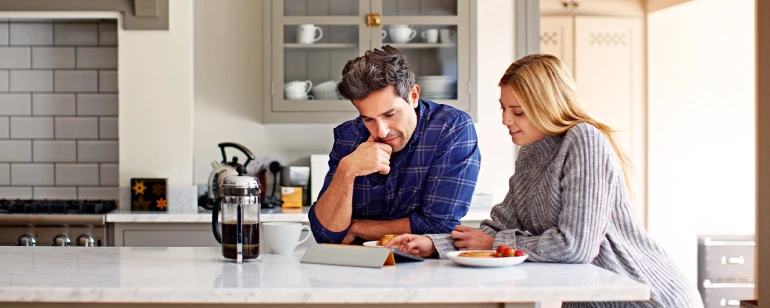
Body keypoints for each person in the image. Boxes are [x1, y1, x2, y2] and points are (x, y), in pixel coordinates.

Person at [385, 54, 703, 307]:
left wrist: (495, 244)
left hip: (646, 298)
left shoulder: (584, 141)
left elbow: (575, 247)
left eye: (518, 111)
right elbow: (499, 226)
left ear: (547, 105)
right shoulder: (531, 152)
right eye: (504, 109)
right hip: (591, 300)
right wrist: (433, 245)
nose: (506, 120)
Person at [308, 45, 481, 245]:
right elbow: (326, 234)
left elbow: (439, 226)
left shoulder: (451, 128)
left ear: (413, 96)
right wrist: (347, 171)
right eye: (368, 119)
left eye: (390, 114)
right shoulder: (350, 136)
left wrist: (357, 228)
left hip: (422, 270)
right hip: (357, 267)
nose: (380, 131)